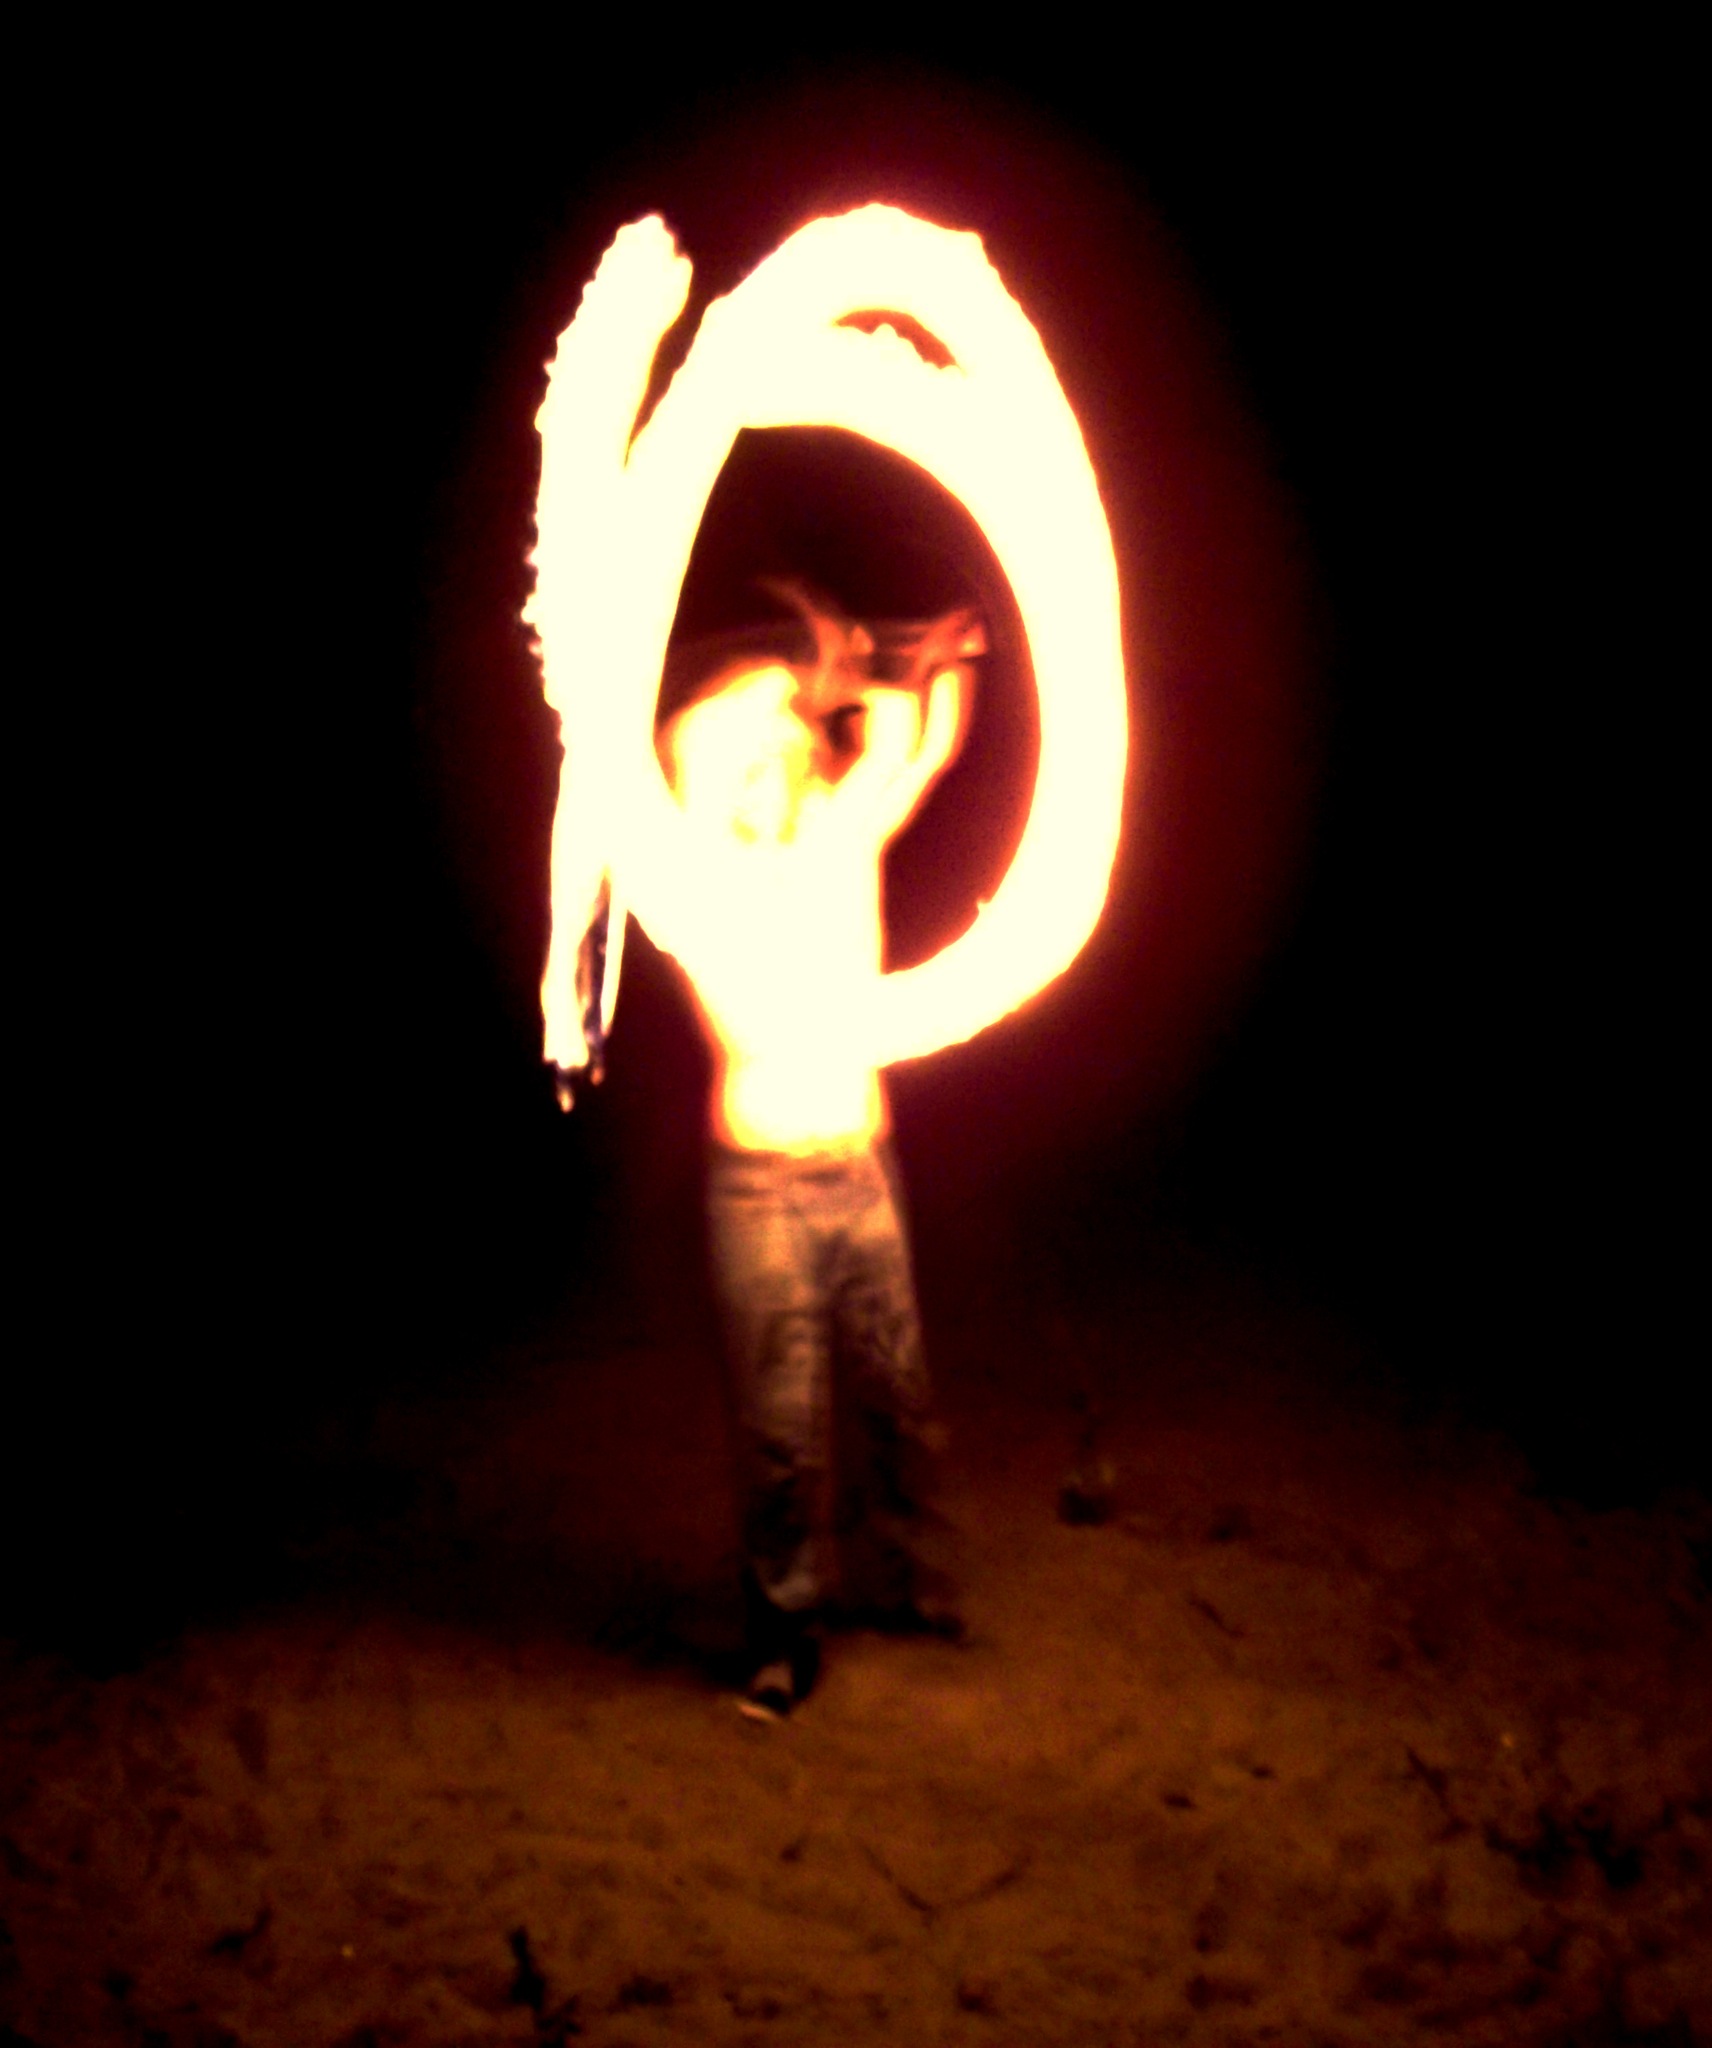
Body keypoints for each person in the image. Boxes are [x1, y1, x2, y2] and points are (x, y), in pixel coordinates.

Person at [654, 585, 983, 1718]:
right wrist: (811, 670)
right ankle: (783, 1639)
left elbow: (920, 742)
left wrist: (936, 656)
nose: (783, 748)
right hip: (761, 1191)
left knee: (896, 1393)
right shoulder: (701, 880)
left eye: (788, 737)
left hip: (861, 1169)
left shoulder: (841, 832)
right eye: (761, 743)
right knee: (780, 1427)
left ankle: (903, 1584)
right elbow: (698, 736)